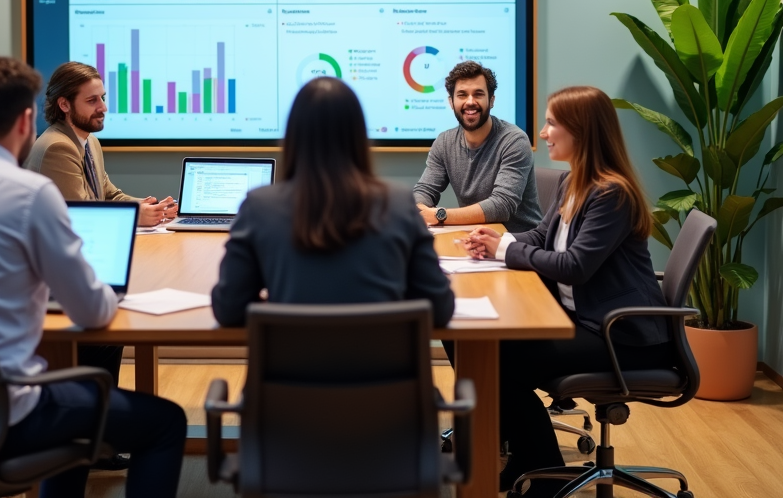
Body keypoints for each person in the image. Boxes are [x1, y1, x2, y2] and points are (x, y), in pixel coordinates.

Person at [0, 57, 186, 498]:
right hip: (6, 412)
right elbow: (92, 309)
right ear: (27, 121)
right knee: (166, 422)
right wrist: (111, 292)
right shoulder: (33, 194)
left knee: (78, 412)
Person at [463, 86, 674, 496]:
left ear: (582, 131)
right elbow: (542, 237)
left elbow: (575, 266)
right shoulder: (573, 183)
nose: (543, 133)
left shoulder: (612, 193)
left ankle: (543, 470)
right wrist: (496, 239)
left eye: (552, 123)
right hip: (589, 323)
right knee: (494, 352)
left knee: (500, 362)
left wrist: (506, 248)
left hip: (624, 337)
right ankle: (533, 462)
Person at [212, 76, 455, 327]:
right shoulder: (398, 204)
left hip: (291, 366)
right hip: (380, 366)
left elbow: (229, 308)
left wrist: (277, 308)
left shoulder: (259, 207)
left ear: (293, 136)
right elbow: (440, 307)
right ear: (359, 136)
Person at [23, 61, 177, 227]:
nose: (103, 107)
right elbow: (82, 215)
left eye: (102, 98)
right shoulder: (58, 147)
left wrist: (153, 208)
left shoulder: (90, 141)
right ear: (64, 105)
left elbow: (110, 196)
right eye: (91, 100)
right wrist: (135, 215)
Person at [413, 60, 542, 233]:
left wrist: (440, 215)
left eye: (478, 94)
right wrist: (419, 209)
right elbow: (424, 190)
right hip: (474, 240)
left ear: (492, 100)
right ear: (451, 102)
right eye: (462, 95)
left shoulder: (514, 140)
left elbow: (501, 205)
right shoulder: (444, 142)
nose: (470, 101)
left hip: (519, 244)